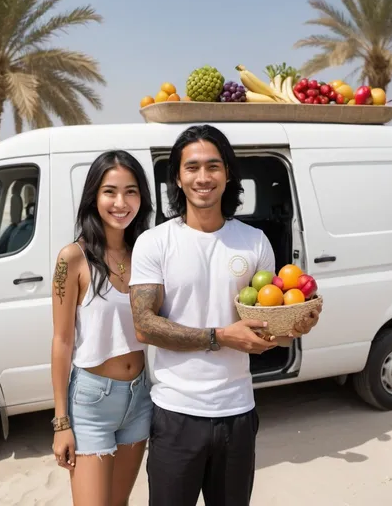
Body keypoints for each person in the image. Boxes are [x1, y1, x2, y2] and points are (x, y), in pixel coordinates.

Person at [129, 124, 322, 506]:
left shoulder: (254, 242)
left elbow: (268, 334)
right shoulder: (155, 242)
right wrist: (219, 336)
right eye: (192, 167)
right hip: (175, 414)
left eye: (213, 166)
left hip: (238, 413)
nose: (203, 177)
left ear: (228, 173)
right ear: (178, 179)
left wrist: (295, 327)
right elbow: (144, 326)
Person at [50, 150, 154, 506]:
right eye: (110, 191)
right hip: (91, 401)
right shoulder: (72, 258)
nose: (121, 202)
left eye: (131, 191)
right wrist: (61, 422)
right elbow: (62, 341)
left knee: (118, 503)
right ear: (94, 196)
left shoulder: (147, 253)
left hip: (139, 398)